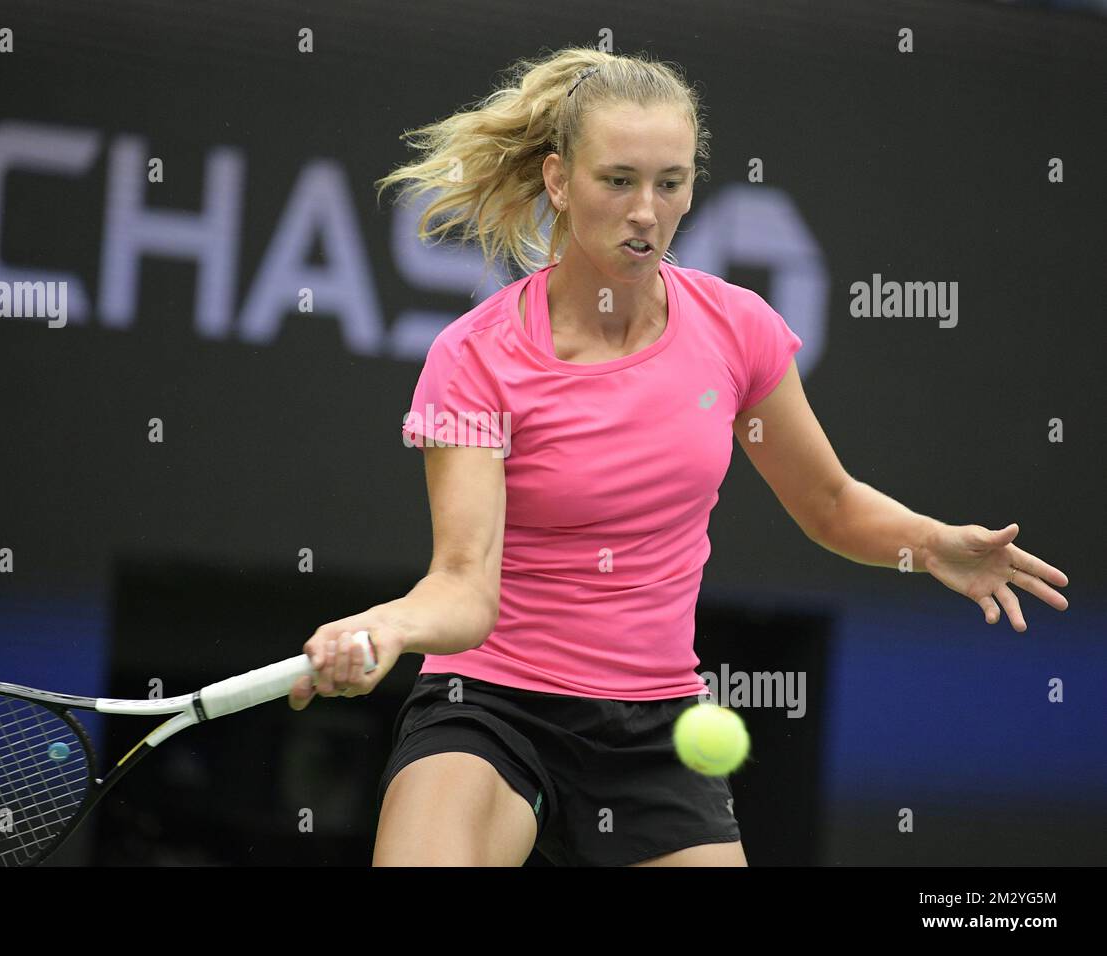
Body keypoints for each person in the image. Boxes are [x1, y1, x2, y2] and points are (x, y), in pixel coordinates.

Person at [286, 48, 1070, 867]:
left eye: (671, 182)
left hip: (655, 726)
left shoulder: (738, 330)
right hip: (488, 706)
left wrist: (930, 542)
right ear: (558, 180)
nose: (647, 212)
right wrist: (385, 628)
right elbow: (464, 585)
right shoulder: (476, 357)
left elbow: (830, 504)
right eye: (617, 180)